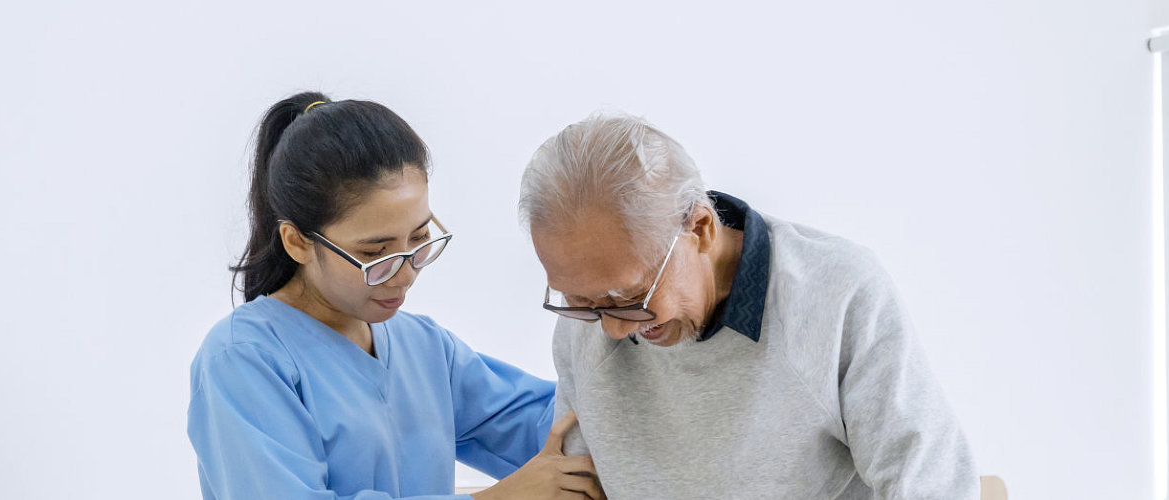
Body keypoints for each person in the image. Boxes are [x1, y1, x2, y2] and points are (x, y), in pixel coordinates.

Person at [518, 112, 978, 499]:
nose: (614, 330)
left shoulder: (835, 293)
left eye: (631, 299)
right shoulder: (592, 320)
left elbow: (929, 482)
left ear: (699, 228)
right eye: (581, 304)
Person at [189, 92, 603, 500]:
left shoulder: (424, 348)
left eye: (420, 240)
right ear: (297, 242)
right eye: (374, 254)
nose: (405, 275)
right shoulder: (244, 358)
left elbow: (553, 425)